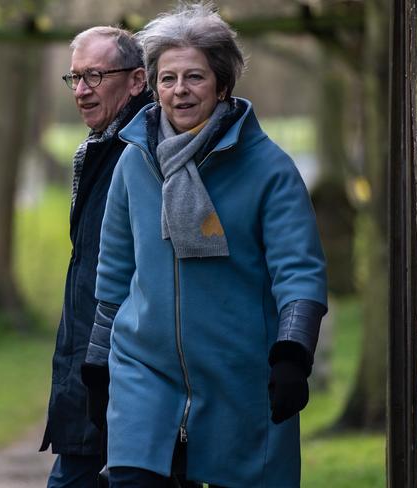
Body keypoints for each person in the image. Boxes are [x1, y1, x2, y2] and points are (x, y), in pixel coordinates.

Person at [82, 4, 328, 487]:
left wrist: (292, 355)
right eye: (168, 78)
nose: (180, 90)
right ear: (152, 86)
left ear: (222, 84)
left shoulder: (268, 169)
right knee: (132, 478)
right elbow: (113, 272)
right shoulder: (133, 165)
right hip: (142, 370)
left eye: (194, 76)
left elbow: (299, 272)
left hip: (239, 377)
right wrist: (97, 364)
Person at [40, 26, 151, 488]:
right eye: (74, 78)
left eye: (94, 76)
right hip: (88, 368)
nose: (81, 91)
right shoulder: (99, 149)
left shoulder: (148, 152)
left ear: (137, 80)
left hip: (124, 372)